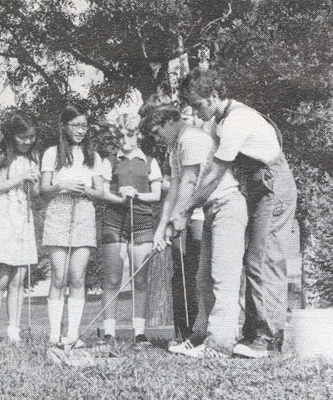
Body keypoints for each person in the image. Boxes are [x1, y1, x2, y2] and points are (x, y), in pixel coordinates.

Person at [172, 68, 297, 358]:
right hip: (254, 185)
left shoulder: (236, 120)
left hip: (272, 184)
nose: (196, 112)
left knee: (263, 261)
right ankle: (253, 333)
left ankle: (269, 338)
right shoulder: (219, 121)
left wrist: (186, 209)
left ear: (214, 95)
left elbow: (214, 175)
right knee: (253, 260)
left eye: (198, 105)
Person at [140, 95, 205, 340]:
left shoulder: (191, 138)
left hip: (202, 214)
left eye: (157, 132)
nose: (156, 138)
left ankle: (202, 334)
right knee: (181, 274)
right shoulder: (174, 146)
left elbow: (190, 182)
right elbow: (175, 188)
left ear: (168, 121)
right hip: (185, 214)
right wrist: (161, 228)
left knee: (199, 274)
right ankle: (184, 334)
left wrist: (178, 218)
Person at [40, 104, 104, 346]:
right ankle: (54, 335)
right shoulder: (52, 153)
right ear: (64, 126)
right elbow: (43, 189)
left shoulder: (93, 156)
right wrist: (62, 185)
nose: (80, 130)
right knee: (59, 275)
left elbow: (100, 192)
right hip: (58, 211)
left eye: (84, 126)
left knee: (78, 276)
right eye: (75, 125)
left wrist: (86, 189)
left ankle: (72, 335)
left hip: (84, 212)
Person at [100, 113, 162, 346]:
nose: (125, 140)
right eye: (120, 136)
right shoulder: (109, 161)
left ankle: (139, 333)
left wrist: (136, 195)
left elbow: (156, 195)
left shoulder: (150, 161)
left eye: (130, 135)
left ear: (138, 135)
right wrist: (119, 196)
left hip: (142, 220)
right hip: (114, 221)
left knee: (140, 279)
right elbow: (102, 192)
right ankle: (109, 333)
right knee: (112, 278)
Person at [0, 112, 40, 343]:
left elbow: (34, 194)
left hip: (22, 218)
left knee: (19, 278)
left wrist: (33, 183)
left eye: (31, 137)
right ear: (11, 135)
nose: (27, 142)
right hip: (2, 218)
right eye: (22, 137)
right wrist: (21, 178)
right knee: (1, 277)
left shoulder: (32, 158)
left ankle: (14, 331)